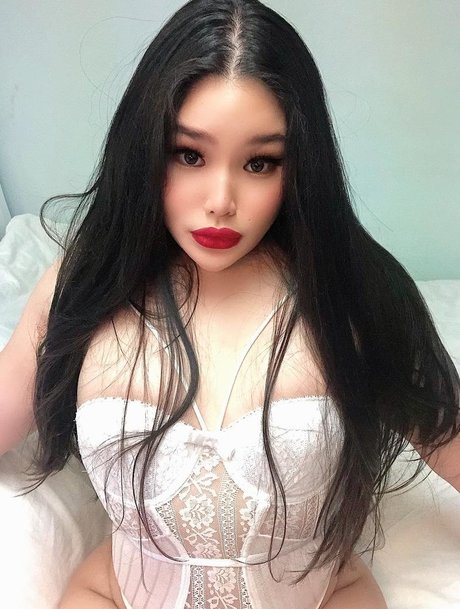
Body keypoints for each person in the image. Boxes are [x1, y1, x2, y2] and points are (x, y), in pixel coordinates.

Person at [0, 0, 459, 607]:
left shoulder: (353, 294)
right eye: (189, 154)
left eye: (259, 162)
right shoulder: (80, 286)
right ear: (146, 148)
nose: (221, 199)